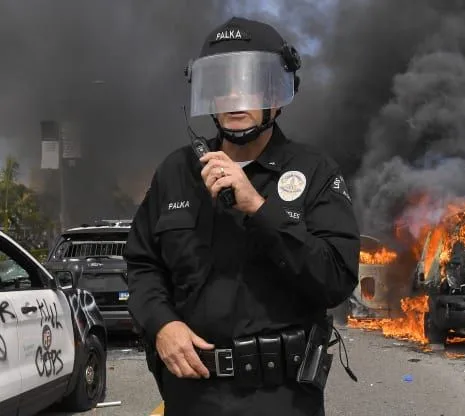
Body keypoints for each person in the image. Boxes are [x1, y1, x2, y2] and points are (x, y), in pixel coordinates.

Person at [124, 16, 360, 416]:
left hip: (281, 398)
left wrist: (260, 209)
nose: (235, 96)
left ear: (277, 94)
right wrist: (162, 324)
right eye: (221, 84)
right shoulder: (176, 173)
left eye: (251, 83)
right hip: (191, 395)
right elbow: (143, 264)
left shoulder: (315, 172)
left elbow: (336, 279)